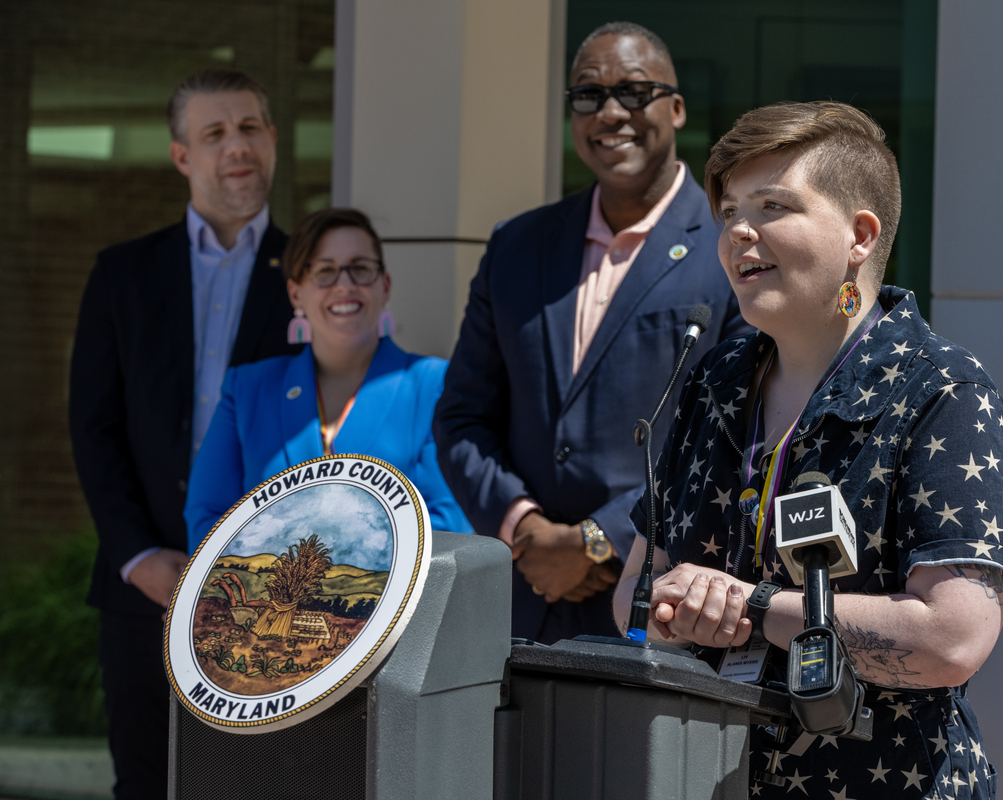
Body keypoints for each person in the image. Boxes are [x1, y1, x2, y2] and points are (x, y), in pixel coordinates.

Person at [614, 101, 1003, 799]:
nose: (738, 232)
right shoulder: (714, 381)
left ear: (860, 235)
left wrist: (752, 607)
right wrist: (676, 611)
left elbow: (952, 642)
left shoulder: (944, 395)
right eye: (728, 212)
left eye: (774, 205)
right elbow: (632, 597)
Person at [433, 21, 753, 644]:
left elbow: (733, 437)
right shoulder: (516, 247)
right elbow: (463, 418)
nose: (611, 112)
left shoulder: (733, 248)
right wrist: (524, 528)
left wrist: (602, 538)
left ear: (677, 108)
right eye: (588, 95)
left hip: (655, 603)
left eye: (634, 92)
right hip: (519, 603)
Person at [68, 69, 299, 798]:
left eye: (250, 128)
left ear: (272, 141)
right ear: (181, 157)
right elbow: (93, 428)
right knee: (144, 783)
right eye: (214, 133)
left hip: (262, 595)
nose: (237, 147)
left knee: (251, 785)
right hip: (144, 587)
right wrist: (136, 556)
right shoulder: (121, 275)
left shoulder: (310, 274)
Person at [185, 208, 470, 549]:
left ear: (385, 285)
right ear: (295, 293)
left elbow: (448, 526)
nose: (345, 286)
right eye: (325, 272)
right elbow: (209, 519)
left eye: (361, 269)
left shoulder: (434, 385)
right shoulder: (245, 390)